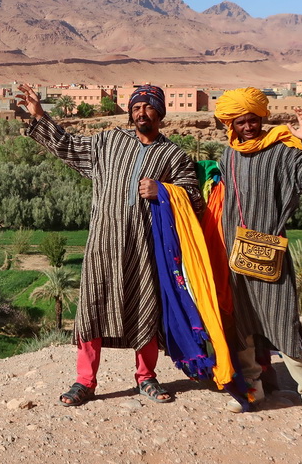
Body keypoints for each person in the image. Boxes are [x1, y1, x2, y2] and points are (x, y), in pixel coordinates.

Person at [16, 83, 203, 405]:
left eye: (147, 108)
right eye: (135, 108)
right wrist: (39, 115)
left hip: (146, 249)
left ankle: (146, 377)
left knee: (147, 309)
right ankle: (84, 381)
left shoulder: (174, 155)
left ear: (160, 113)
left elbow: (195, 198)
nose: (141, 113)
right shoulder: (110, 141)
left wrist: (164, 191)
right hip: (103, 243)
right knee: (93, 308)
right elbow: (69, 146)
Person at [213, 88, 302, 434]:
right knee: (242, 325)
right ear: (231, 124)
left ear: (261, 118)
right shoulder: (229, 154)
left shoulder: (284, 150)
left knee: (284, 324)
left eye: (253, 119)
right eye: (241, 121)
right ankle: (253, 387)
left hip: (269, 254)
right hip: (234, 253)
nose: (248, 126)